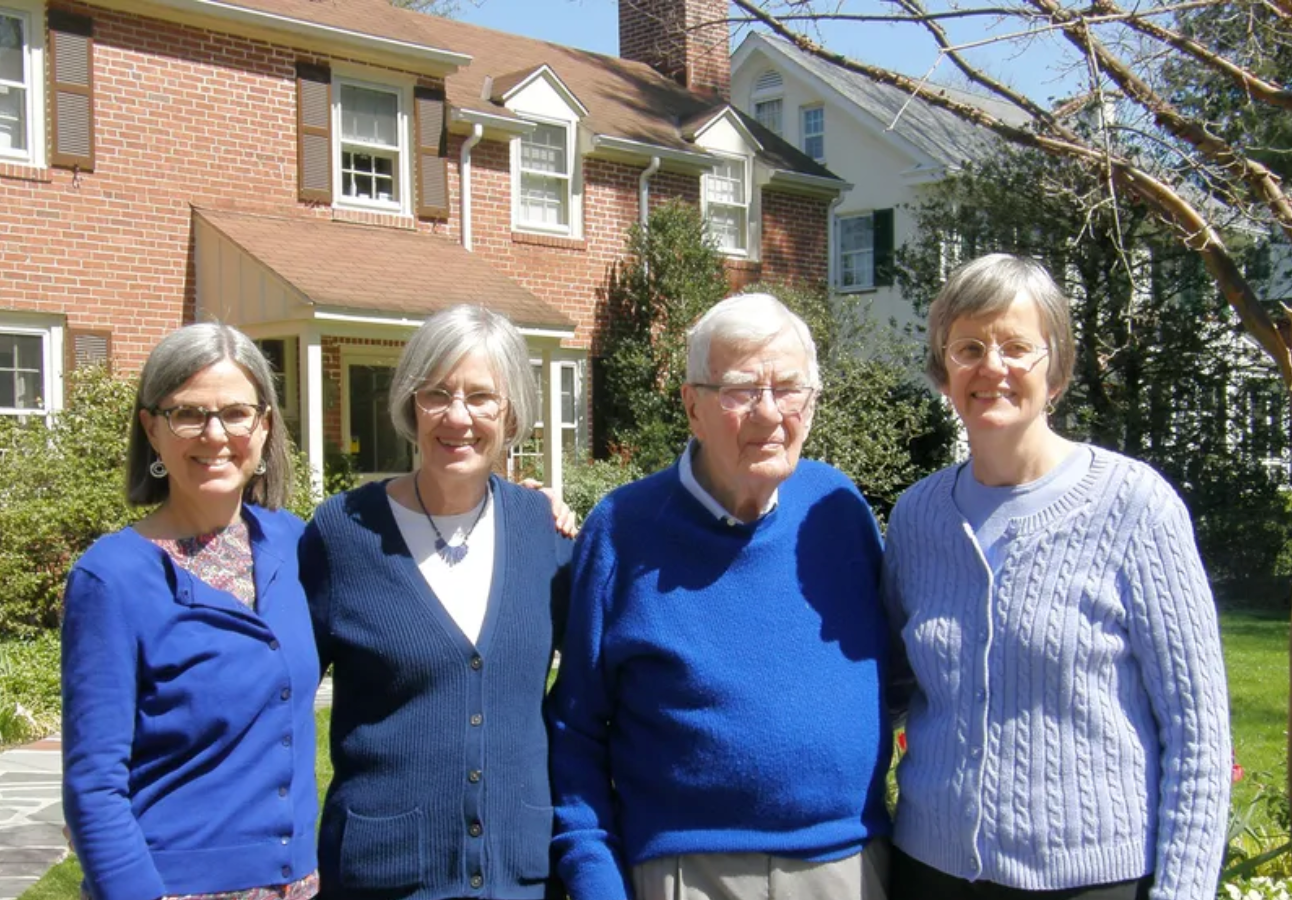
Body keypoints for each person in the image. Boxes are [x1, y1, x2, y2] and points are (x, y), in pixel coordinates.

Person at [882, 253, 1231, 899]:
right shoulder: (917, 517)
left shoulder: (1135, 506)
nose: (993, 367)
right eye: (969, 347)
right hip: (929, 873)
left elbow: (1198, 732)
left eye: (1018, 347)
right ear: (944, 367)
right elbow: (889, 688)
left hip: (1093, 881)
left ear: (1057, 367)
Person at [548, 293, 892, 900]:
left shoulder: (838, 511)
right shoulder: (624, 529)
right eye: (739, 389)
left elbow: (902, 678)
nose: (768, 413)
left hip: (849, 866)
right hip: (690, 871)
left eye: (789, 388)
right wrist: (594, 878)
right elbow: (576, 728)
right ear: (692, 407)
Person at [301, 305, 572, 900]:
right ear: (410, 404)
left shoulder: (546, 534)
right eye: (437, 394)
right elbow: (283, 703)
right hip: (385, 877)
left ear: (512, 413)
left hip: (519, 876)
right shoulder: (342, 533)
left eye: (482, 397)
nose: (458, 417)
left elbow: (591, 705)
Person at [62, 324, 319, 900]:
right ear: (152, 429)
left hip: (298, 885)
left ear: (265, 425)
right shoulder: (111, 578)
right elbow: (93, 785)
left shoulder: (295, 546)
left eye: (235, 413)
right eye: (187, 414)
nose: (215, 433)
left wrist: (528, 508)